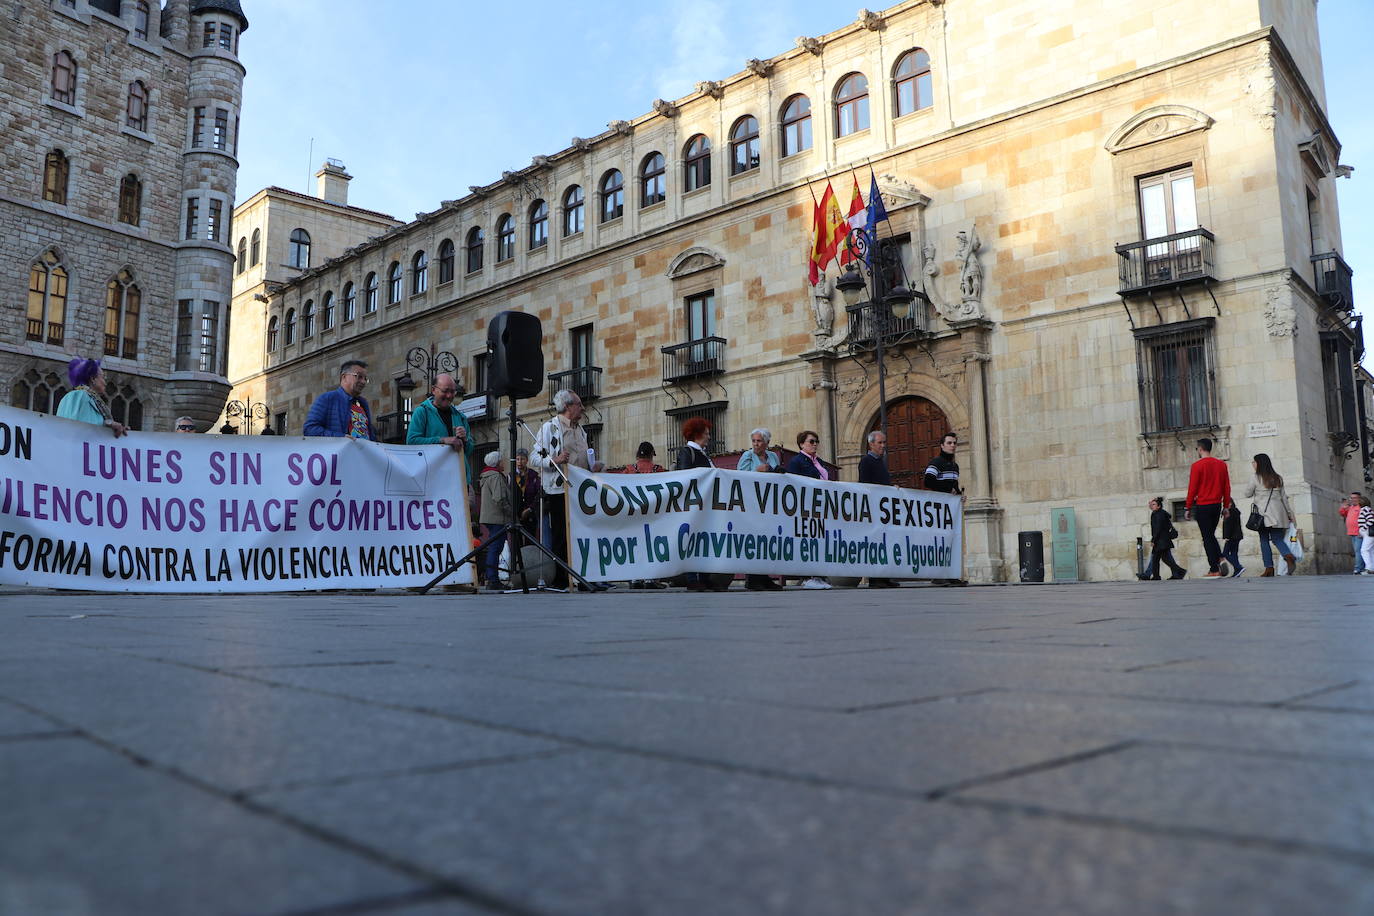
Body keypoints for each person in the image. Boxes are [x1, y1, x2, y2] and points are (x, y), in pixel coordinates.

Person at [531, 389, 590, 590]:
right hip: (558, 490)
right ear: (567, 406)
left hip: (579, 490)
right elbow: (534, 458)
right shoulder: (550, 428)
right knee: (561, 535)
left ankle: (581, 576)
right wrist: (554, 460)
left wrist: (593, 465)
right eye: (579, 404)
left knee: (580, 533)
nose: (583, 408)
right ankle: (562, 579)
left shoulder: (581, 430)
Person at [675, 418, 723, 591]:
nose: (709, 437)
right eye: (707, 433)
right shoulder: (687, 452)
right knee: (692, 539)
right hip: (693, 506)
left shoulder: (702, 454)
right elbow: (684, 477)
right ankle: (692, 578)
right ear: (697, 434)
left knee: (704, 539)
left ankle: (703, 577)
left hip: (706, 505)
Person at [785, 430, 832, 590]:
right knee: (807, 540)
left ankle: (819, 575)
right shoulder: (796, 461)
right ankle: (807, 576)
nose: (815, 444)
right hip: (805, 506)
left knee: (819, 540)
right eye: (811, 441)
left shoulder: (819, 461)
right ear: (801, 444)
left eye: (816, 441)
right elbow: (793, 483)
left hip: (820, 506)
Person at [405, 373, 474, 482]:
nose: (449, 396)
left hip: (459, 481)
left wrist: (465, 440)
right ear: (433, 390)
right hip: (433, 481)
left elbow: (469, 451)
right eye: (445, 391)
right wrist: (442, 440)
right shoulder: (421, 412)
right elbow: (412, 441)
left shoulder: (460, 417)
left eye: (452, 392)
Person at [737, 429, 782, 590]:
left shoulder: (773, 456)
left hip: (769, 503)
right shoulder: (747, 456)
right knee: (754, 539)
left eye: (759, 441)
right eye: (754, 441)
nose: (756, 444)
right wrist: (757, 471)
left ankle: (764, 577)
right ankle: (752, 578)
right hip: (752, 503)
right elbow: (738, 477)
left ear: (767, 443)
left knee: (767, 539)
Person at [1240, 452, 1297, 577]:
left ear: (1259, 463)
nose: (1253, 464)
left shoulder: (1255, 477)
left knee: (1264, 540)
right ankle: (1288, 555)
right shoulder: (1278, 478)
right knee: (1277, 539)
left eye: (1254, 462)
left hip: (1263, 515)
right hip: (1279, 514)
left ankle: (1269, 568)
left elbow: (1247, 494)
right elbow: (1284, 498)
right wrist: (1289, 514)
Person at [1183, 438, 1231, 578]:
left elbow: (1192, 488)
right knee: (1210, 535)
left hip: (1203, 505)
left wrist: (1187, 507)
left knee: (1207, 537)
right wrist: (1226, 506)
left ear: (1200, 449)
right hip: (1216, 505)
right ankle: (1220, 558)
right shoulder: (1221, 465)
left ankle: (1214, 568)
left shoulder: (1197, 466)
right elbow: (1226, 487)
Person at [858, 430, 898, 588]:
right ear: (871, 444)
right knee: (875, 543)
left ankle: (885, 576)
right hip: (874, 509)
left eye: (884, 442)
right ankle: (875, 579)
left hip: (883, 510)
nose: (883, 446)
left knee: (885, 542)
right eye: (880, 442)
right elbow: (865, 484)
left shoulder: (880, 462)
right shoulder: (866, 461)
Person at [304, 360, 376, 440]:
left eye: (365, 379)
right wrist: (340, 438)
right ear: (344, 377)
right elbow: (310, 429)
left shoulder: (363, 404)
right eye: (359, 376)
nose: (363, 382)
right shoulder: (327, 399)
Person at [56, 359, 127, 438]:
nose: (105, 383)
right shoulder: (78, 396)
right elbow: (74, 426)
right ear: (93, 379)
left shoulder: (95, 401)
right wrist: (107, 425)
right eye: (103, 377)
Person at [477, 450, 511, 591]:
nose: (503, 463)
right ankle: (493, 579)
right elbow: (499, 498)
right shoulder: (496, 476)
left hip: (489, 517)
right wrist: (510, 512)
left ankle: (491, 577)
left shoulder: (486, 475)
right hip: (497, 517)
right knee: (495, 548)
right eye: (502, 461)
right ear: (497, 463)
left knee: (494, 547)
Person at [1138, 497, 1186, 580]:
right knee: (1159, 558)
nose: (1152, 506)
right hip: (1163, 540)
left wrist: (1153, 540)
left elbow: (1158, 529)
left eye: (1154, 504)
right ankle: (1157, 575)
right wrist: (1151, 502)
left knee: (1161, 559)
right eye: (1152, 504)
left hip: (1161, 541)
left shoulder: (1158, 514)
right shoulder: (1159, 513)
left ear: (1158, 506)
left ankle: (1180, 571)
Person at [513, 447, 542, 548]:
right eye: (517, 459)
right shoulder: (511, 476)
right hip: (516, 514)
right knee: (517, 543)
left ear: (527, 460)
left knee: (530, 542)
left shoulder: (533, 475)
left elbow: (538, 494)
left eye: (522, 459)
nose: (520, 462)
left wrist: (530, 509)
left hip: (530, 513)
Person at [1340, 491, 1366, 574]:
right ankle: (1361, 568)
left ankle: (1358, 569)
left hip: (1359, 533)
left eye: (1355, 498)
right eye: (1351, 498)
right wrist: (1343, 508)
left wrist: (1362, 531)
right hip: (1351, 532)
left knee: (1358, 551)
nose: (1352, 499)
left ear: (1359, 498)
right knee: (1357, 551)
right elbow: (1343, 514)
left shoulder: (1361, 507)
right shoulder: (1350, 507)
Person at [1219, 504, 1244, 578]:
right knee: (1234, 554)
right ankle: (1237, 572)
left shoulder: (1230, 512)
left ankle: (1239, 567)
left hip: (1231, 537)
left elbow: (1229, 525)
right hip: (1237, 536)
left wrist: (1227, 536)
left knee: (1225, 553)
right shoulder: (1235, 511)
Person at [1358, 496, 1374, 575]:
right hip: (1369, 533)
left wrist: (1363, 528)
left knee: (1364, 550)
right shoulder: (1368, 509)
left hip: (1368, 533)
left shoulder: (1365, 509)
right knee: (1370, 551)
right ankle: (1371, 568)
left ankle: (1369, 568)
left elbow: (1371, 519)